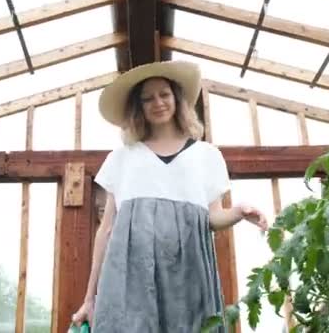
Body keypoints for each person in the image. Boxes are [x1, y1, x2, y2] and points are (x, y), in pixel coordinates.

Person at [70, 60, 268, 332]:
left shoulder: (207, 155)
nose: (158, 102)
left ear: (177, 98)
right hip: (130, 279)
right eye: (147, 98)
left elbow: (212, 217)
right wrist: (89, 297)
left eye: (164, 94)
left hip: (188, 275)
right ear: (138, 107)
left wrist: (239, 212)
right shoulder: (122, 158)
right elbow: (106, 230)